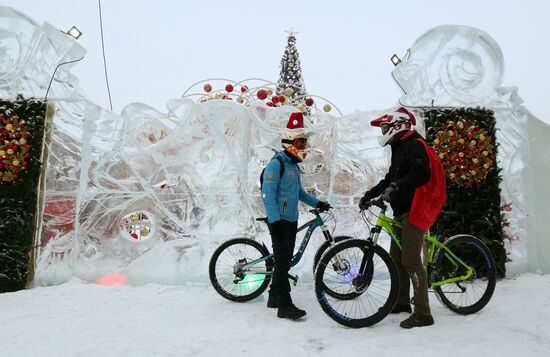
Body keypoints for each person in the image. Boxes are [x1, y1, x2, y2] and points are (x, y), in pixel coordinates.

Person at [359, 107, 445, 329]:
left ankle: (423, 313)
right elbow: (391, 177)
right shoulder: (398, 146)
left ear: (399, 125)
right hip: (401, 210)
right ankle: (401, 302)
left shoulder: (415, 144)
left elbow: (421, 174)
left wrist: (397, 185)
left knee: (411, 261)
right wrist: (371, 194)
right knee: (396, 257)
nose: (384, 131)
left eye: (386, 127)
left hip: (414, 209)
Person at [261, 112, 331, 320]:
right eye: (300, 142)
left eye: (304, 142)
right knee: (282, 263)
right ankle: (285, 305)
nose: (303, 147)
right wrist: (275, 222)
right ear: (289, 142)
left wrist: (318, 203)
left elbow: (299, 193)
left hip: (291, 220)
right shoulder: (277, 164)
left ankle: (274, 296)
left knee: (283, 261)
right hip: (280, 221)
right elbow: (267, 195)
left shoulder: (293, 166)